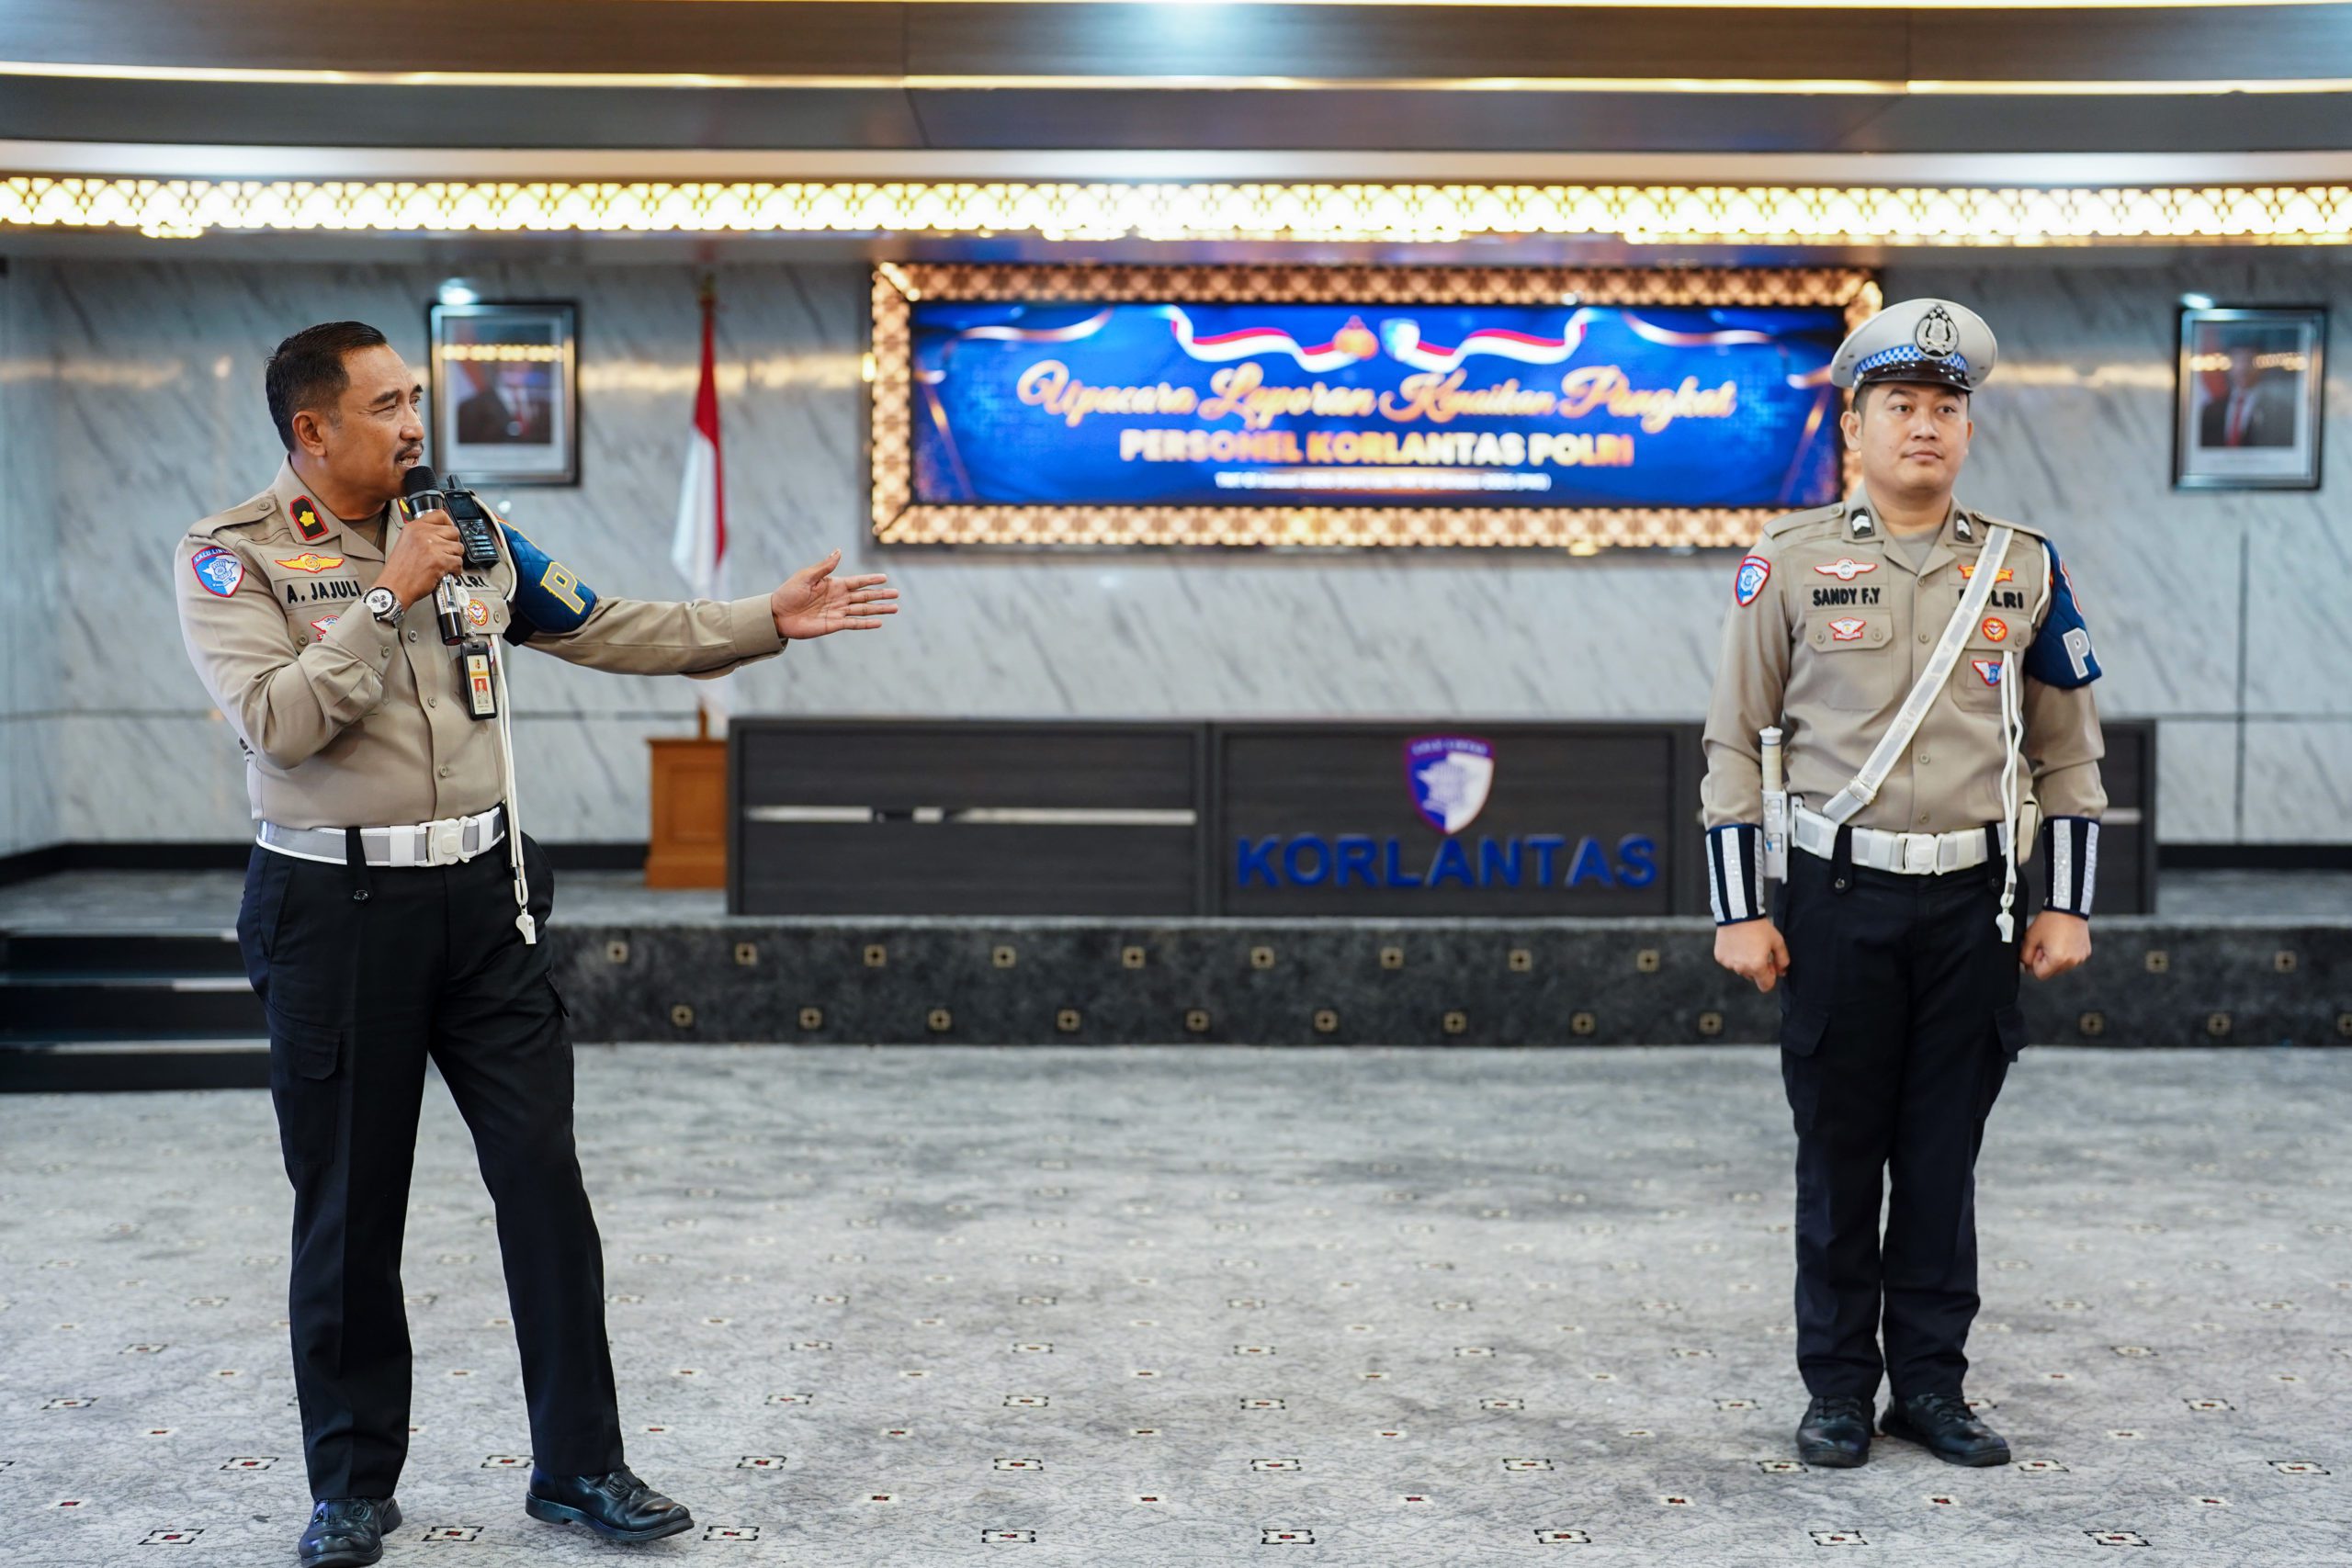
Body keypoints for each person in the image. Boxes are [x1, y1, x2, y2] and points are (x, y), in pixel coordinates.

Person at [174, 321, 899, 1568]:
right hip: (334, 913)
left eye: (414, 398)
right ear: (313, 429)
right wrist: (390, 594)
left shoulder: (470, 529)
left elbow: (603, 623)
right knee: (349, 1209)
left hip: (484, 903)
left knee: (544, 1185)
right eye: (387, 404)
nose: (415, 423)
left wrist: (764, 620)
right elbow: (277, 723)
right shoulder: (234, 555)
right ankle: (351, 1486)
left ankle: (578, 1466)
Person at [1699, 299, 2105, 1471]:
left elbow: (2069, 750)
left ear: (1966, 429)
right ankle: (1836, 1390)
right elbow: (1732, 739)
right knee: (1838, 1155)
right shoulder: (1785, 562)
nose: (1923, 426)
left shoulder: (2022, 567)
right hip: (1836, 903)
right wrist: (1741, 908)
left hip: (1975, 905)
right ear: (1855, 426)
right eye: (1899, 406)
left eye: (1943, 408)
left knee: (1939, 1160)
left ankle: (1930, 1387)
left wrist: (2065, 900)